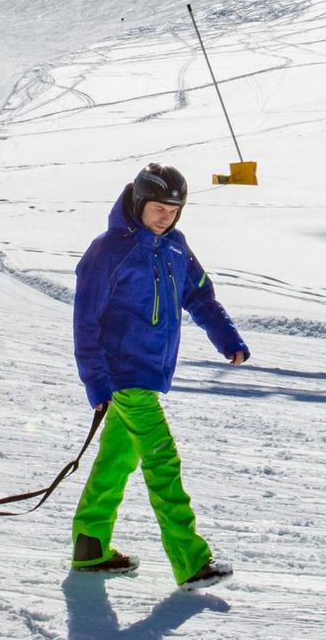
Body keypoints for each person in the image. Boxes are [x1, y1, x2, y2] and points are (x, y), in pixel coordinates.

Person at [70, 164, 248, 590]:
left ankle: (90, 545)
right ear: (137, 202)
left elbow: (200, 295)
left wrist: (228, 339)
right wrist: (95, 382)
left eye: (173, 209)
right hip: (123, 375)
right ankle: (190, 560)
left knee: (116, 460)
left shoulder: (176, 248)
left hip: (148, 375)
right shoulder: (108, 251)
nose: (165, 216)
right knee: (162, 461)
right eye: (157, 207)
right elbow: (85, 322)